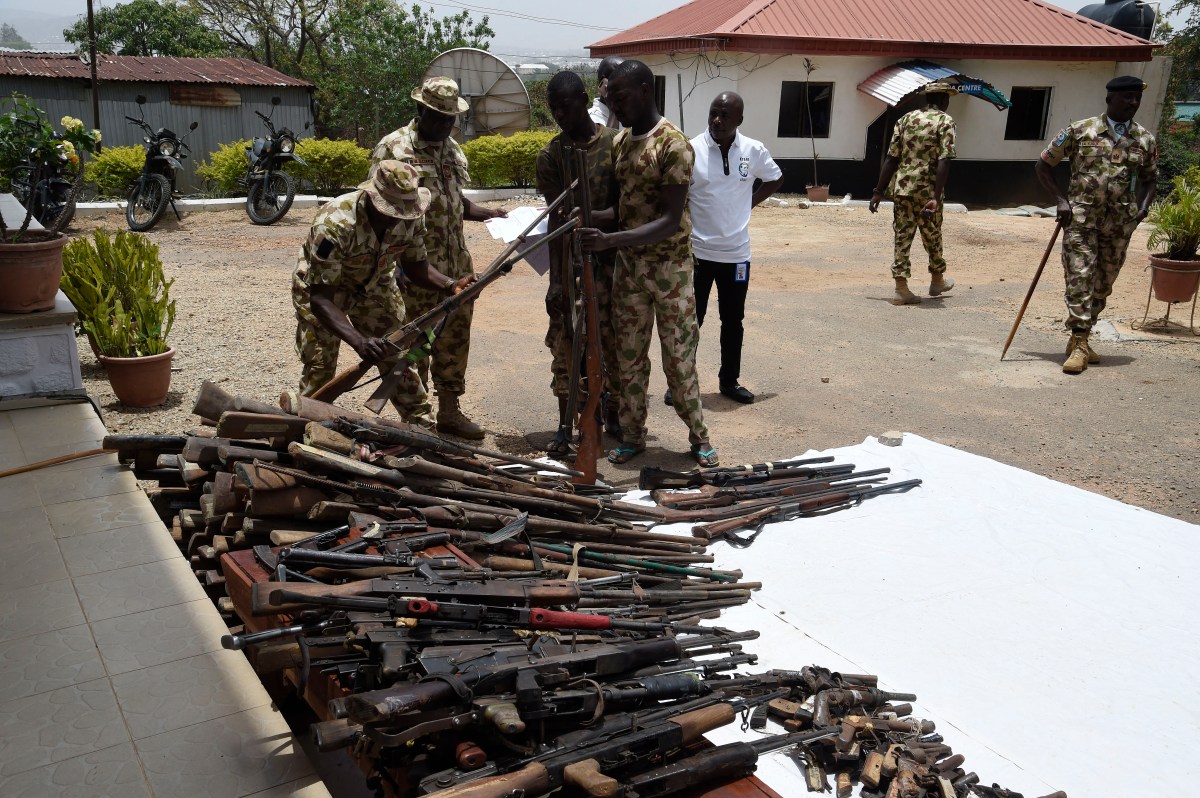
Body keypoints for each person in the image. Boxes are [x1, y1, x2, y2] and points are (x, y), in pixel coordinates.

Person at [577, 59, 718, 468]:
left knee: (679, 359)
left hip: (669, 270)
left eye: (620, 97)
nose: (614, 105)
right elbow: (623, 210)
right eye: (610, 98)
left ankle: (699, 437)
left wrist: (610, 239)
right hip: (630, 271)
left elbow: (669, 221)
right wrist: (586, 217)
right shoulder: (622, 143)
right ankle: (633, 436)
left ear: (643, 89)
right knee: (629, 359)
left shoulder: (674, 145)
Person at [370, 77, 506, 440]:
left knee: (454, 340)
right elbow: (377, 207)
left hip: (456, 266)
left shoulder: (452, 150)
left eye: (452, 119)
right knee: (415, 342)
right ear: (421, 110)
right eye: (439, 117)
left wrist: (491, 213)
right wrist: (393, 263)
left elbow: (455, 203)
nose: (447, 125)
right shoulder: (394, 148)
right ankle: (416, 420)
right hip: (412, 268)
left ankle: (449, 412)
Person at [292, 161, 475, 427]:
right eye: (391, 210)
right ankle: (302, 423)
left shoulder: (411, 214)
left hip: (375, 285)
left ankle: (421, 427)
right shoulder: (335, 223)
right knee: (321, 364)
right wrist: (359, 341)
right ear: (372, 197)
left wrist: (451, 284)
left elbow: (416, 265)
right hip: (325, 290)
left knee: (398, 355)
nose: (398, 216)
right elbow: (321, 299)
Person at [1034, 75, 1157, 374]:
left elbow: (1149, 178)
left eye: (1136, 98)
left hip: (1119, 225)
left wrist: (1141, 211)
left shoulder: (1144, 139)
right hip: (1080, 220)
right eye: (1127, 97)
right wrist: (1061, 201)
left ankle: (1082, 337)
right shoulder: (1080, 130)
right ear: (1109, 99)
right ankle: (1079, 341)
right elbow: (1043, 165)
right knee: (1079, 278)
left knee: (1103, 284)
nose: (1133, 103)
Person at [669, 91, 783, 407]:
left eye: (725, 115)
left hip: (736, 256)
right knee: (691, 321)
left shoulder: (753, 150)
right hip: (698, 254)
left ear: (739, 120)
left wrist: (750, 202)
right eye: (713, 113)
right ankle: (680, 383)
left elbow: (775, 178)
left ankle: (729, 381)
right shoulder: (691, 150)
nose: (717, 120)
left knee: (733, 321)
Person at [535, 70, 621, 453]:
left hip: (610, 266)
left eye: (566, 106)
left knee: (608, 346)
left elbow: (627, 210)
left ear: (584, 99)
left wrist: (595, 219)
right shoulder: (552, 155)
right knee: (566, 347)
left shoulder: (615, 147)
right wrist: (556, 281)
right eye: (553, 109)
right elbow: (554, 220)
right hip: (570, 269)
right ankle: (564, 423)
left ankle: (609, 417)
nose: (560, 115)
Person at [869, 82, 958, 305]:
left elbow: (891, 158)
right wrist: (936, 197)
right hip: (927, 191)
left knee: (902, 236)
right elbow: (944, 160)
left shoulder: (905, 120)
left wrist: (877, 191)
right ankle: (937, 280)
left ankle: (901, 288)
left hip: (902, 188)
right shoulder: (945, 121)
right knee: (932, 235)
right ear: (944, 100)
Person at [589, 56, 623, 129]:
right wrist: (613, 108)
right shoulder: (592, 119)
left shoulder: (627, 114)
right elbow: (610, 140)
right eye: (620, 78)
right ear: (604, 82)